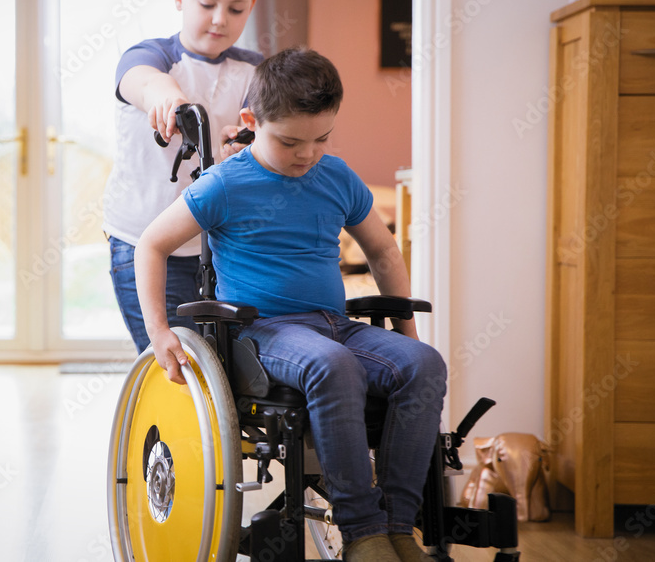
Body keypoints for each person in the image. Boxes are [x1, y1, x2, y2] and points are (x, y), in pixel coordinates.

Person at [135, 47, 447, 562]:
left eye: (322, 138)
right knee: (332, 365)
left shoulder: (337, 176)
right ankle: (363, 532)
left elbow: (384, 250)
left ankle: (396, 528)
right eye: (289, 141)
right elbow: (152, 243)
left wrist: (405, 339)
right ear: (250, 122)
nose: (307, 154)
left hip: (335, 324)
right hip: (264, 334)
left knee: (424, 365)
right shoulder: (225, 185)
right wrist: (159, 330)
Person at [104, 0, 263, 353]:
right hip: (144, 243)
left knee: (224, 372)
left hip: (219, 246)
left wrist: (243, 145)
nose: (219, 20)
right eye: (206, 4)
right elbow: (145, 82)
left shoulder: (255, 72)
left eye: (235, 9)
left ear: (253, 6)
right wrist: (168, 99)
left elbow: (261, 131)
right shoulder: (150, 55)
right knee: (175, 366)